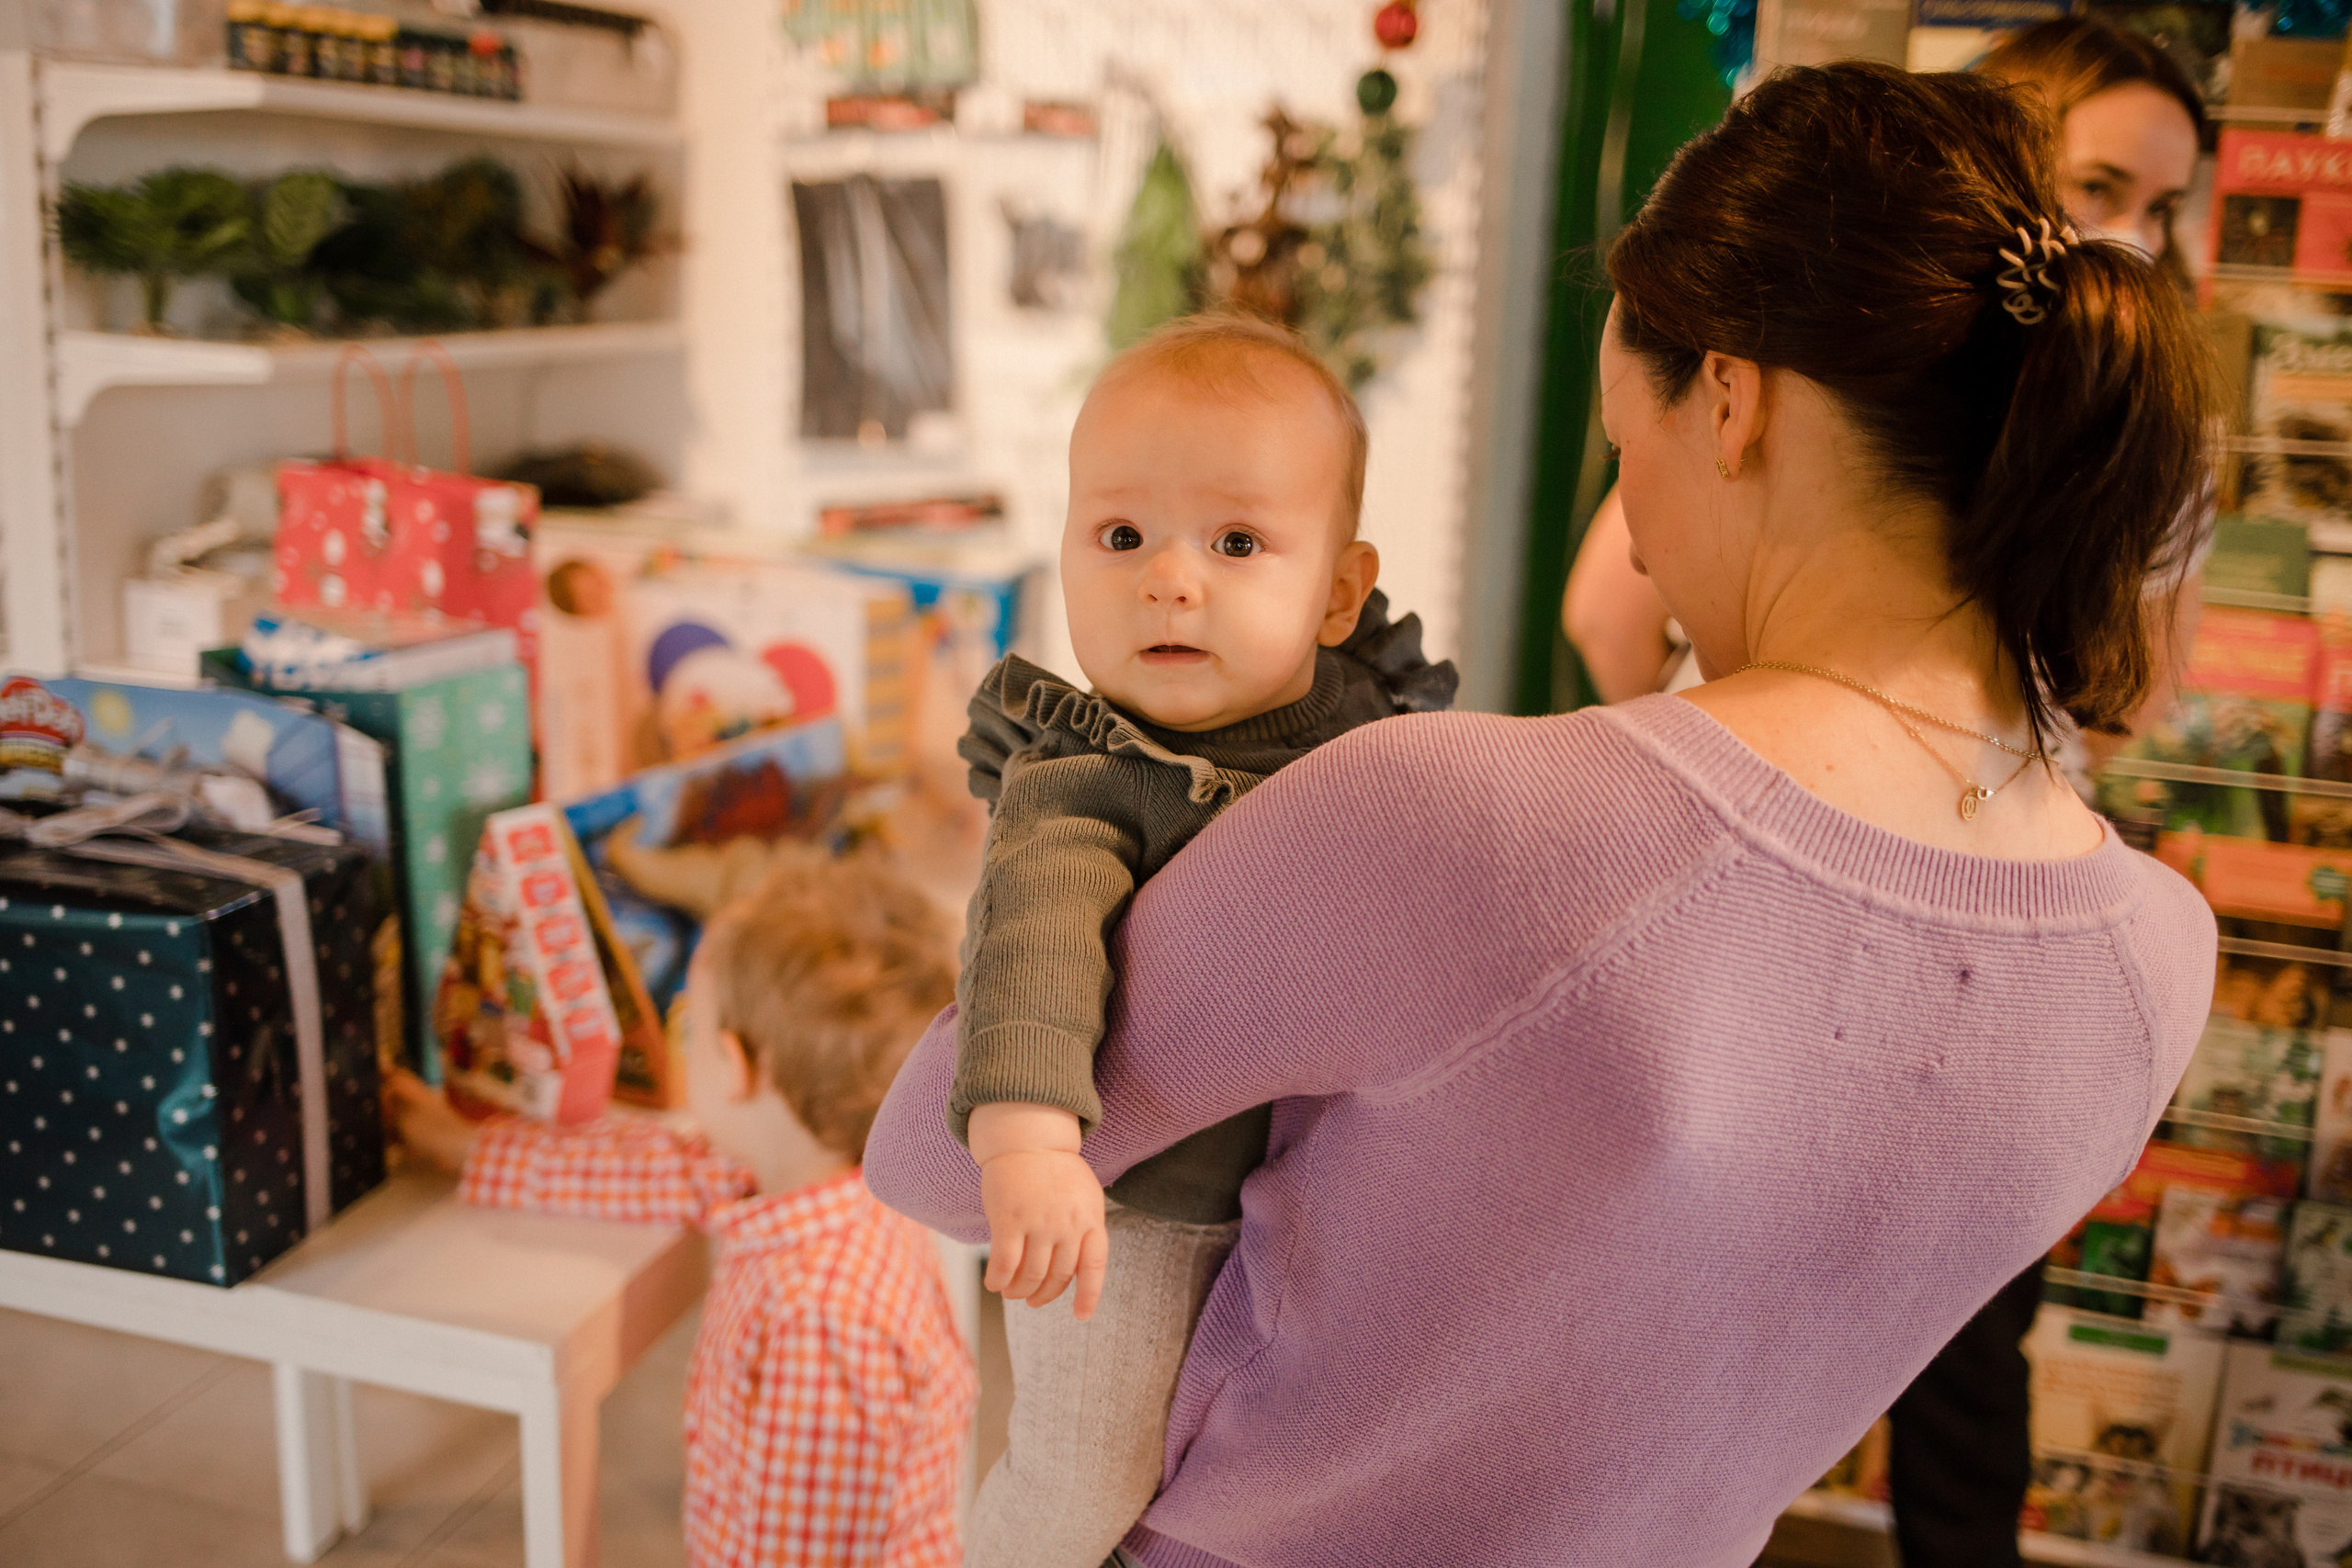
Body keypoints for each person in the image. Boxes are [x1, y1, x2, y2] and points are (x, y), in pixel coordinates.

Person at [865, 61, 2217, 1568]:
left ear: (1729, 400)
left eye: (1619, 451)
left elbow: (929, 1156)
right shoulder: (2156, 967)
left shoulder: (1466, 819)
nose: (1630, 523)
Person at [947, 311, 1455, 1568]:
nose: (1170, 579)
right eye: (1121, 536)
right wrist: (1029, 1144)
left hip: (1324, 1195)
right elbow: (1034, 949)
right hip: (1131, 1204)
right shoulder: (1084, 772)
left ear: (1340, 589)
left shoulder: (1368, 724)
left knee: (1259, 1471)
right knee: (1085, 1474)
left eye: (1236, 541)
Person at [1562, 16, 2205, 705]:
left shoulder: (2158, 438)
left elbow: (2129, 697)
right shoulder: (1825, 357)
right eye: (2101, 187)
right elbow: (1608, 611)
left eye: (2163, 207)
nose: (2135, 235)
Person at [390, 850, 974, 1568]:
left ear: (734, 1066)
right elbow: (644, 1166)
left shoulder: (819, 1317)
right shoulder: (792, 1174)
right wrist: (467, 1146)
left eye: (688, 1024)